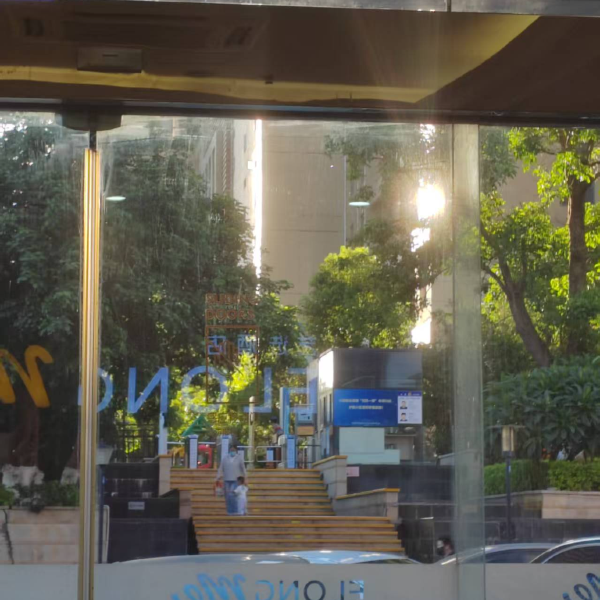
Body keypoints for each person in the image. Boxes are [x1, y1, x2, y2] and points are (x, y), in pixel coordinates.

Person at [216, 443, 247, 515]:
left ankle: (235, 510)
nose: (232, 451)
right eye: (231, 450)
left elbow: (243, 468)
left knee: (232, 495)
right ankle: (229, 511)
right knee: (227, 496)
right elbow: (221, 468)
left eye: (233, 450)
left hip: (236, 480)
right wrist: (217, 477)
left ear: (236, 450)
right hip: (227, 479)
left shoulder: (239, 458)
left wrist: (245, 478)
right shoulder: (225, 458)